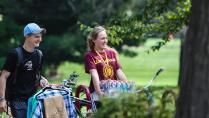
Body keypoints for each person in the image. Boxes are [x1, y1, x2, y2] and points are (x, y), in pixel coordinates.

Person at [0, 23, 48, 118]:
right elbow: (3, 76)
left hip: (33, 99)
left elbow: (35, 73)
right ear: (27, 36)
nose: (40, 39)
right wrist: (2, 99)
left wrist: (42, 79)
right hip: (17, 100)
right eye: (36, 37)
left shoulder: (39, 55)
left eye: (40, 37)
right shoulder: (15, 54)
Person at [84, 26, 128, 102]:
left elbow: (119, 72)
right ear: (94, 40)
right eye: (102, 38)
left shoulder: (112, 53)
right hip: (99, 90)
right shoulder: (90, 56)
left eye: (106, 38)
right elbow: (94, 75)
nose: (105, 41)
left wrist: (127, 86)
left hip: (114, 90)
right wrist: (99, 92)